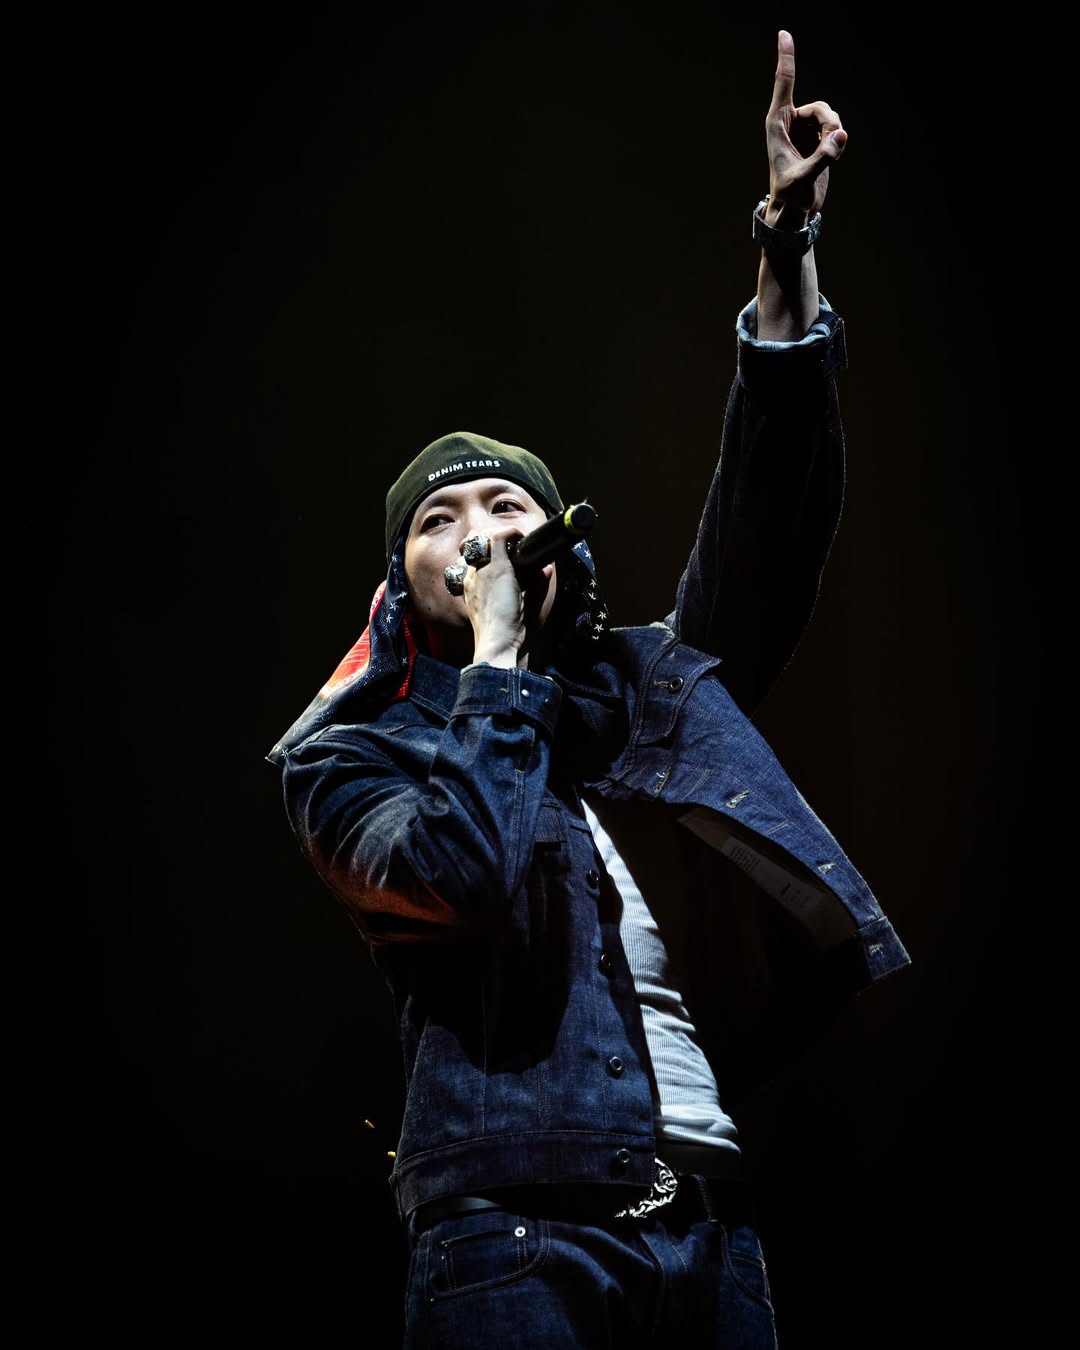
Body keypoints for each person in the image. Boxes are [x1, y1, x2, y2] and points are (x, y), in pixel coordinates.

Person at [268, 31, 909, 1349]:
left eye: (509, 507)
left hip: (711, 1229)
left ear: (564, 549)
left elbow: (772, 521)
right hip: (512, 1236)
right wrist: (496, 662)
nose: (482, 534)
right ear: (399, 583)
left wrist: (784, 246)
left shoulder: (644, 685)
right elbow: (459, 873)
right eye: (441, 520)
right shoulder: (346, 758)